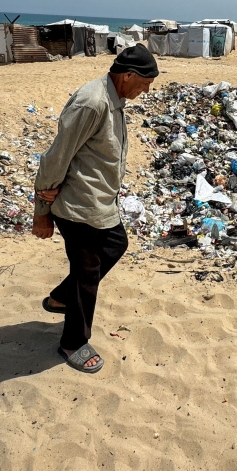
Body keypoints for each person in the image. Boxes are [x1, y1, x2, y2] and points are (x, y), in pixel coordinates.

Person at [32, 44, 159, 373]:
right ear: (127, 75)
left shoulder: (114, 99)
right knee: (87, 273)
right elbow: (57, 155)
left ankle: (63, 295)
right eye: (144, 83)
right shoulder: (92, 101)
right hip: (78, 205)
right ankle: (73, 343)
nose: (145, 91)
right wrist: (41, 213)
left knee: (117, 245)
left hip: (100, 203)